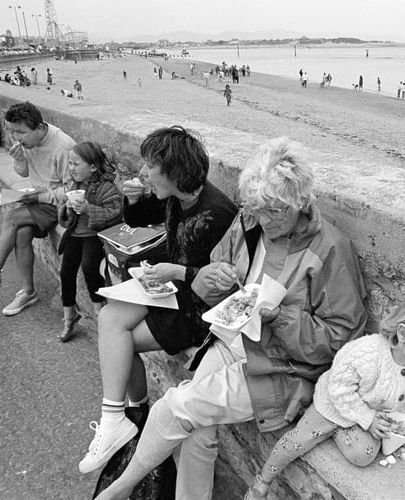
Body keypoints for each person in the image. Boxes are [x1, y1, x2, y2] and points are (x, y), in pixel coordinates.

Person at [94, 136, 368, 500]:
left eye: (275, 212)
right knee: (196, 431)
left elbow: (341, 339)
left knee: (177, 405)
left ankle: (117, 491)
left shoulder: (330, 249)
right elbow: (213, 277)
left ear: (301, 202)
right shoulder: (249, 218)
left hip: (281, 365)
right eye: (257, 209)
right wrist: (211, 276)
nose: (265, 221)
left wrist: (279, 318)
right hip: (230, 338)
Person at [77, 126, 237, 475]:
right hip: (169, 290)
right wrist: (133, 199)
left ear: (175, 170)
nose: (144, 172)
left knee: (121, 341)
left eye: (151, 165)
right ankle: (117, 418)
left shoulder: (217, 213)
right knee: (108, 318)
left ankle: (133, 414)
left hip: (195, 312)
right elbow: (136, 219)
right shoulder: (178, 195)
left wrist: (176, 272)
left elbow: (223, 285)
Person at [244, 289, 405, 498]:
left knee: (364, 455)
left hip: (371, 412)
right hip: (334, 402)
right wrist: (366, 418)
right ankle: (262, 481)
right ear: (403, 333)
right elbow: (339, 388)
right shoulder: (367, 352)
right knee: (298, 441)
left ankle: (342, 430)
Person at [0, 102, 76, 316]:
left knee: (11, 217)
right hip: (39, 198)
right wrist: (19, 160)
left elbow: (71, 189)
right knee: (21, 233)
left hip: (58, 204)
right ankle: (28, 292)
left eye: (21, 132)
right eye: (12, 131)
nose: (17, 137)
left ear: (39, 127)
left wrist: (40, 196)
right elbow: (23, 174)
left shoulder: (63, 146)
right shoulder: (28, 143)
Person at [57, 142, 122, 342]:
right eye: (70, 163)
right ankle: (69, 315)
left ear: (93, 167)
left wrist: (88, 209)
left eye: (76, 164)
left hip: (95, 236)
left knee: (89, 266)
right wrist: (68, 208)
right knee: (66, 270)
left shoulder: (107, 188)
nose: (71, 168)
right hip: (76, 235)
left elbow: (115, 215)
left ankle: (98, 310)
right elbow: (66, 220)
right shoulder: (74, 185)